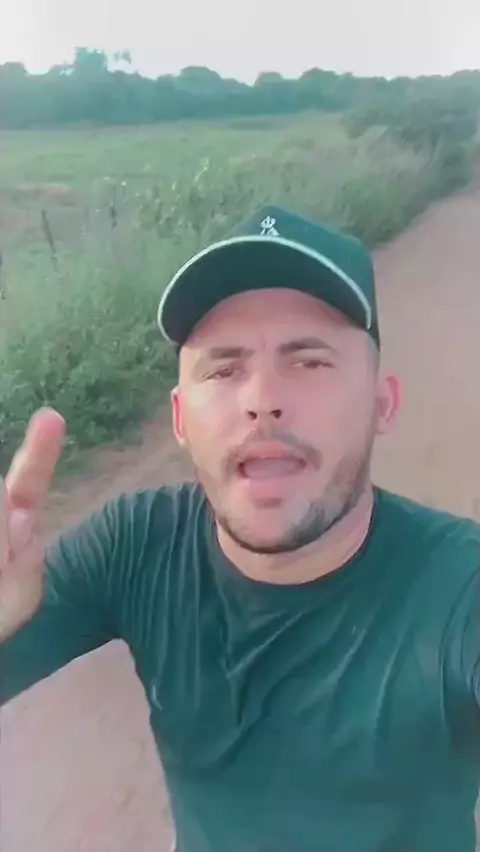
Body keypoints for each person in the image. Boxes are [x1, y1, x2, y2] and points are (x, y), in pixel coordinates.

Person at [1, 205, 479, 852]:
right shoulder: (137, 545)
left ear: (381, 404)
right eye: (224, 369)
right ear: (180, 419)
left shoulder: (459, 587)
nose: (262, 399)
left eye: (309, 362)